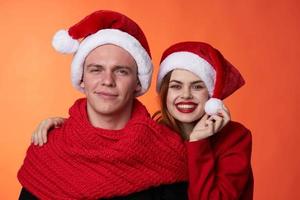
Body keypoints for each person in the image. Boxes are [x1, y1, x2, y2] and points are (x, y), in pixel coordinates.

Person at [32, 42, 253, 199]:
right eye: (176, 86)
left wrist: (198, 142)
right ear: (165, 92)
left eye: (197, 86)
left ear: (212, 95)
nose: (185, 95)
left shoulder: (235, 138)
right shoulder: (159, 136)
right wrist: (67, 125)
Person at [18, 10, 189, 199]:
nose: (108, 80)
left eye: (121, 71)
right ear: (82, 78)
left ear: (138, 82)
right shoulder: (48, 148)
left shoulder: (167, 151)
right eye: (96, 70)